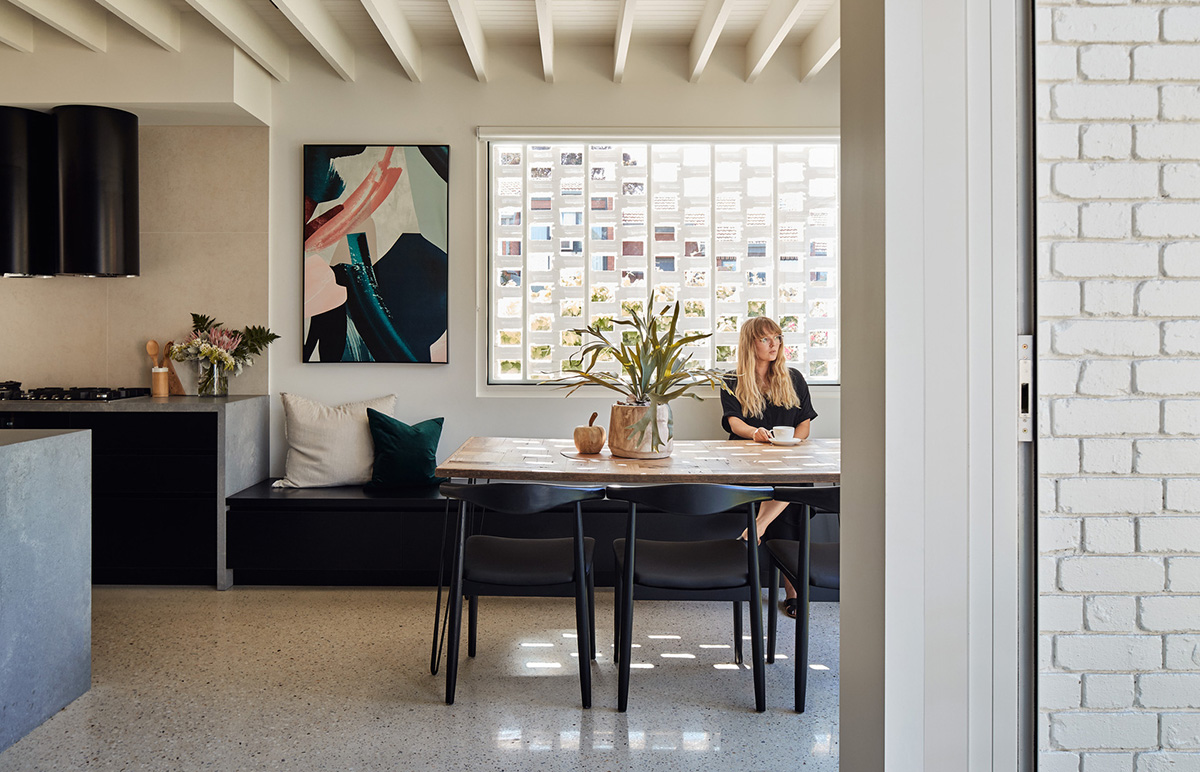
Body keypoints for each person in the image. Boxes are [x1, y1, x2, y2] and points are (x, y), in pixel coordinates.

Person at [720, 316, 818, 618]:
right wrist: (755, 434)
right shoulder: (732, 380)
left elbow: (804, 423)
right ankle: (794, 593)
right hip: (747, 463)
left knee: (794, 486)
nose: (774, 344)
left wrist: (794, 443)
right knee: (791, 494)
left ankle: (757, 527)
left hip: (788, 460)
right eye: (765, 338)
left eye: (777, 338)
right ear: (750, 344)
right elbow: (733, 422)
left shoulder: (794, 377)